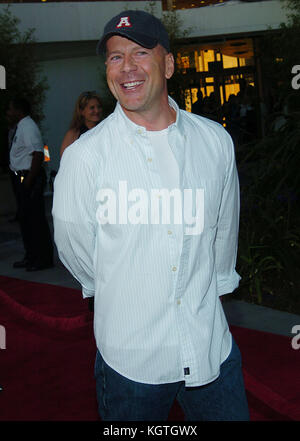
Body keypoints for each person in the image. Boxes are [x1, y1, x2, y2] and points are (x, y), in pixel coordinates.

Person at [52, 10, 249, 421]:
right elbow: (74, 245)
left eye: (140, 52)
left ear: (169, 63)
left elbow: (223, 232)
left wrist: (211, 286)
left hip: (210, 346)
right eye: (114, 57)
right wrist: (116, 285)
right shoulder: (86, 156)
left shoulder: (215, 141)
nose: (127, 67)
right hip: (131, 361)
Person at [8, 97, 53, 271]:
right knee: (26, 219)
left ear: (19, 110)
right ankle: (31, 255)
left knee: (35, 219)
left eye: (10, 109)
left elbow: (38, 154)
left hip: (28, 176)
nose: (8, 113)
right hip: (20, 176)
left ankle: (42, 258)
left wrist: (28, 181)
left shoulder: (28, 127)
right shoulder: (20, 127)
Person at [60, 91, 102, 157]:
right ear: (81, 111)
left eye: (99, 107)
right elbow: (65, 158)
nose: (96, 111)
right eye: (92, 108)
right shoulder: (73, 134)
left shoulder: (105, 129)